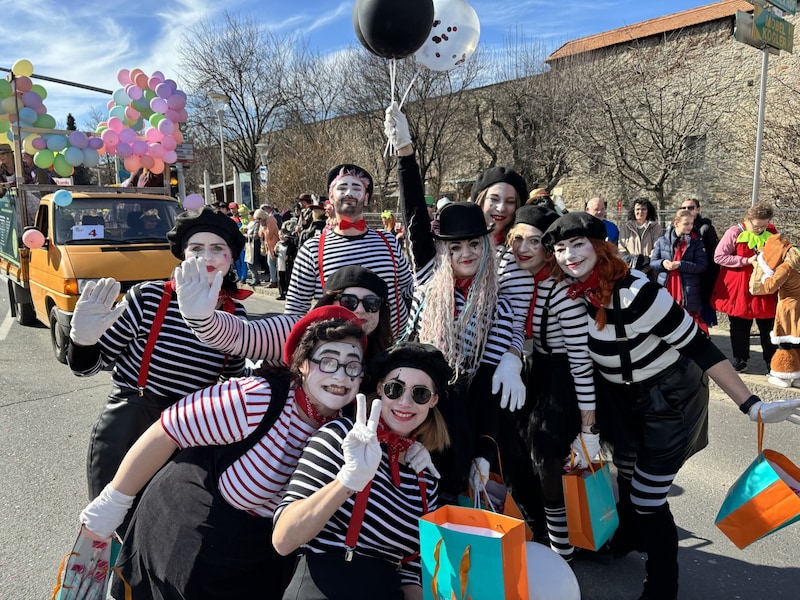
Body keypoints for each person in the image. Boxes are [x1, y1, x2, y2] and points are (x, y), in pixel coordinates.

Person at [541, 211, 800, 600]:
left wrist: (750, 404)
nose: (569, 255)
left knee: (647, 495)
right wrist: (589, 430)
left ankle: (662, 584)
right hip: (624, 402)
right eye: (560, 249)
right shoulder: (575, 295)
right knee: (626, 474)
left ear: (598, 246)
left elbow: (700, 347)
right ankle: (627, 539)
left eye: (577, 244)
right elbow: (580, 364)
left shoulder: (638, 293)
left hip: (671, 401)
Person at [77, 305, 367, 600]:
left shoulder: (350, 423)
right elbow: (167, 430)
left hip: (256, 559)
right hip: (185, 542)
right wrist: (114, 501)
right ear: (302, 363)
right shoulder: (255, 398)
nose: (341, 376)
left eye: (352, 366)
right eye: (328, 361)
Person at [67, 206, 249, 536]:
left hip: (189, 434)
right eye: (196, 249)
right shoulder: (150, 297)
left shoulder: (237, 315)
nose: (206, 257)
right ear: (182, 256)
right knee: (109, 529)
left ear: (230, 259)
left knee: (162, 534)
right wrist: (82, 342)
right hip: (129, 425)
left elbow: (234, 381)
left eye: (217, 248)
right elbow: (89, 367)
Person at [272, 342, 452, 600]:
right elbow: (283, 539)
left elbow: (411, 570)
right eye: (394, 389)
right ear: (380, 389)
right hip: (324, 588)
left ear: (433, 401)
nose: (404, 402)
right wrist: (347, 481)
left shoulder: (425, 477)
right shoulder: (341, 438)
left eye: (420, 394)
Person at [509, 204, 597, 562]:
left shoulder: (562, 292)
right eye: (517, 240)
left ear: (548, 249)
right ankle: (548, 535)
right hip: (539, 370)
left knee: (551, 462)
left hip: (563, 380)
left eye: (534, 242)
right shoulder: (529, 280)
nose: (523, 249)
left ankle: (563, 549)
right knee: (529, 455)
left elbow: (580, 360)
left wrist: (588, 422)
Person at [176, 262, 393, 392]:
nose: (361, 310)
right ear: (331, 303)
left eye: (372, 303)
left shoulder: (383, 356)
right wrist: (203, 319)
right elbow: (240, 336)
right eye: (349, 301)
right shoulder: (298, 331)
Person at [285, 162, 415, 342]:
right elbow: (294, 311)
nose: (349, 193)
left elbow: (410, 289)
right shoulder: (312, 249)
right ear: (330, 197)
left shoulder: (389, 241)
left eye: (356, 187)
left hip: (393, 349)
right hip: (341, 356)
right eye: (342, 187)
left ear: (367, 198)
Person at [711, 201, 778, 373]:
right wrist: (745, 261)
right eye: (757, 226)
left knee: (767, 325)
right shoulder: (735, 232)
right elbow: (719, 256)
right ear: (749, 219)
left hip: (763, 285)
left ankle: (771, 361)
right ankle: (740, 359)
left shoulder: (771, 231)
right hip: (739, 286)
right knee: (740, 324)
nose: (760, 230)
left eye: (764, 225)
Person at [650, 208, 708, 332]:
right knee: (666, 322)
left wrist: (681, 265)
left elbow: (702, 266)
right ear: (676, 223)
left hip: (688, 290)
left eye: (691, 224)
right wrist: (662, 263)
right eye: (686, 224)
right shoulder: (662, 241)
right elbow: (653, 262)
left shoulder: (696, 242)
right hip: (666, 287)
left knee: (686, 325)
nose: (690, 227)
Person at [755, 234, 800, 388]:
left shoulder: (785, 267)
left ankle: (784, 375)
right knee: (798, 341)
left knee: (785, 341)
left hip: (788, 307)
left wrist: (765, 277)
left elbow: (770, 287)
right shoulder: (798, 262)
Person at [679, 198, 719, 326]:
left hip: (703, 278)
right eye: (683, 208)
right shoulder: (677, 229)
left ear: (698, 209)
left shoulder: (706, 229)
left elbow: (714, 256)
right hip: (684, 276)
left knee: (702, 317)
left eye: (690, 207)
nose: (687, 210)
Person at [618, 198, 663, 273]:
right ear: (633, 211)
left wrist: (646, 263)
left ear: (648, 211)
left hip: (649, 269)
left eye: (643, 209)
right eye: (637, 209)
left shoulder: (656, 228)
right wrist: (630, 262)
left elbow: (656, 248)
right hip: (629, 269)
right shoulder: (625, 228)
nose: (640, 212)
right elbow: (621, 248)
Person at [275, 227, 297, 300]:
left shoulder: (291, 244)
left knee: (287, 278)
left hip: (287, 264)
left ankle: (288, 293)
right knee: (280, 279)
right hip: (280, 263)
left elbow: (294, 253)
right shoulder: (278, 243)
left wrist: (289, 256)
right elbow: (275, 254)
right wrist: (275, 251)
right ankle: (282, 293)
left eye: (282, 234)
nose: (280, 236)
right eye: (279, 235)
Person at [245, 209, 263, 285]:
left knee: (251, 263)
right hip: (249, 244)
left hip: (254, 245)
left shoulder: (257, 223)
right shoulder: (251, 223)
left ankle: (256, 279)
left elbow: (255, 236)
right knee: (248, 262)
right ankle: (255, 278)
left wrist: (247, 235)